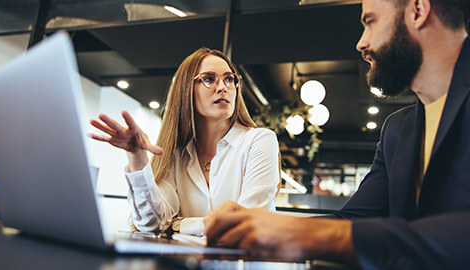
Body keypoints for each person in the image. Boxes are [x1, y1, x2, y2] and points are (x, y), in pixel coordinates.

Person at [203, 0, 470, 268]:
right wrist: (262, 225)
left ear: (418, 10)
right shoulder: (397, 130)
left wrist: (314, 235)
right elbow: (354, 220)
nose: (361, 43)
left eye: (370, 22)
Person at [90, 48, 280, 236]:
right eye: (209, 79)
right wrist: (137, 156)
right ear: (186, 90)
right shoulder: (176, 154)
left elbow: (248, 223)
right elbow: (151, 223)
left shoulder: (260, 141)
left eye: (229, 79)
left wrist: (181, 225)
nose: (223, 87)